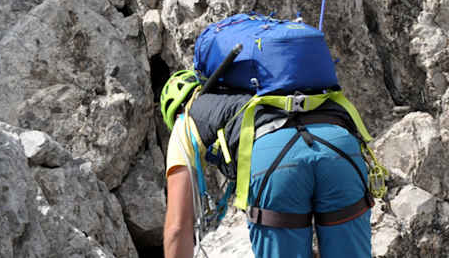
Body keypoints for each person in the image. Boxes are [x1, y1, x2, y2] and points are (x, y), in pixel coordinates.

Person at [160, 69, 373, 258]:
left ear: (174, 112)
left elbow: (177, 228)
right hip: (339, 144)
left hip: (275, 160)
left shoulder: (185, 119)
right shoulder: (257, 90)